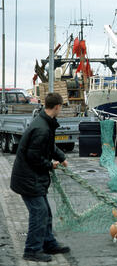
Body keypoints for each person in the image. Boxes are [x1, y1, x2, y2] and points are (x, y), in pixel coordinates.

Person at [10, 93, 70, 262]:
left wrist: (61, 157)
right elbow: (33, 157)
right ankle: (32, 250)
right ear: (57, 107)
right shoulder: (42, 128)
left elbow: (49, 146)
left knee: (46, 211)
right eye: (61, 106)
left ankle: (48, 243)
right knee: (39, 213)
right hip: (28, 179)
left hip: (33, 178)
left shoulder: (45, 123)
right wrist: (51, 165)